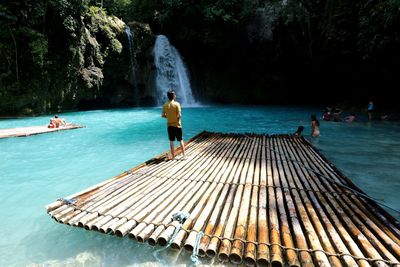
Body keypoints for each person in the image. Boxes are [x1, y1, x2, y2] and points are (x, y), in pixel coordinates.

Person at [161, 90, 186, 160]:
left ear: (168, 97)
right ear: (174, 96)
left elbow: (163, 115)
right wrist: (177, 119)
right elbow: (179, 115)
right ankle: (184, 155)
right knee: (180, 140)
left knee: (171, 141)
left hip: (169, 125)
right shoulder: (177, 104)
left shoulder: (165, 105)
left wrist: (168, 117)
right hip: (177, 125)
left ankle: (173, 157)